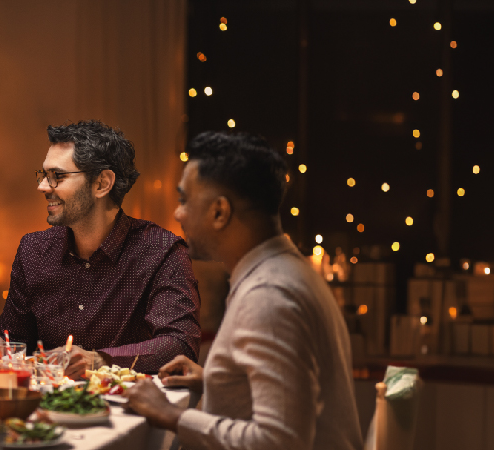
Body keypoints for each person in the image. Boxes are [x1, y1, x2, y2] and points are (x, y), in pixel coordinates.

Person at [123, 131, 363, 449]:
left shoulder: (269, 296)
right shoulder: (289, 268)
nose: (178, 213)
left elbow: (280, 442)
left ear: (220, 212)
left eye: (184, 200)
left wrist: (171, 416)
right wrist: (218, 381)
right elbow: (295, 393)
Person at [0, 120, 201, 377]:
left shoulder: (161, 251)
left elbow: (180, 346)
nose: (42, 187)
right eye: (44, 175)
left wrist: (100, 360)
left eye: (57, 176)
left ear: (102, 184)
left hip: (131, 409)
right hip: (50, 407)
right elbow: (14, 342)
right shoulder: (33, 251)